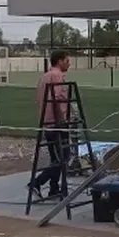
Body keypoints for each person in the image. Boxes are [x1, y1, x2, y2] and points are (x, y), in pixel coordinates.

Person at [28, 50, 72, 199]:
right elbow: (58, 99)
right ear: (59, 61)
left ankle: (54, 188)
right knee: (64, 157)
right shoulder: (57, 76)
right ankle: (37, 182)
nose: (69, 63)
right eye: (66, 60)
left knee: (56, 158)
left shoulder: (44, 77)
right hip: (56, 123)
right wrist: (64, 119)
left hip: (47, 122)